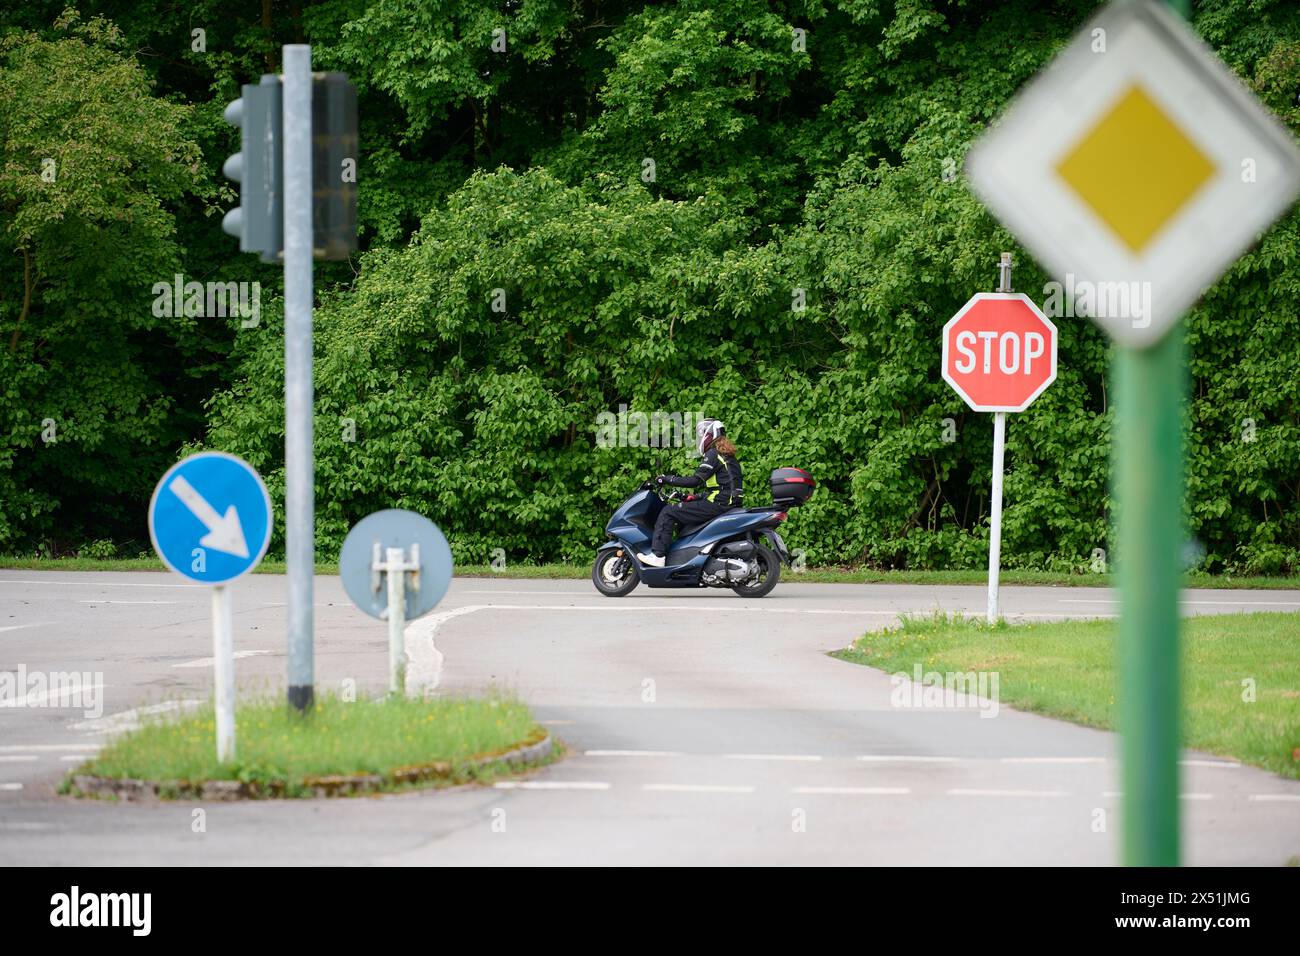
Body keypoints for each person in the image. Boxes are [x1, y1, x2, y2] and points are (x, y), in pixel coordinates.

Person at [638, 418, 744, 567]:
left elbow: (696, 480)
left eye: (701, 435)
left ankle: (658, 555)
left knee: (669, 512)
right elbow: (721, 487)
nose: (700, 439)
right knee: (684, 514)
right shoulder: (726, 455)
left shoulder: (713, 454)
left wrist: (667, 479)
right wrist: (694, 497)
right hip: (727, 502)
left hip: (719, 504)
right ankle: (685, 557)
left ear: (710, 434)